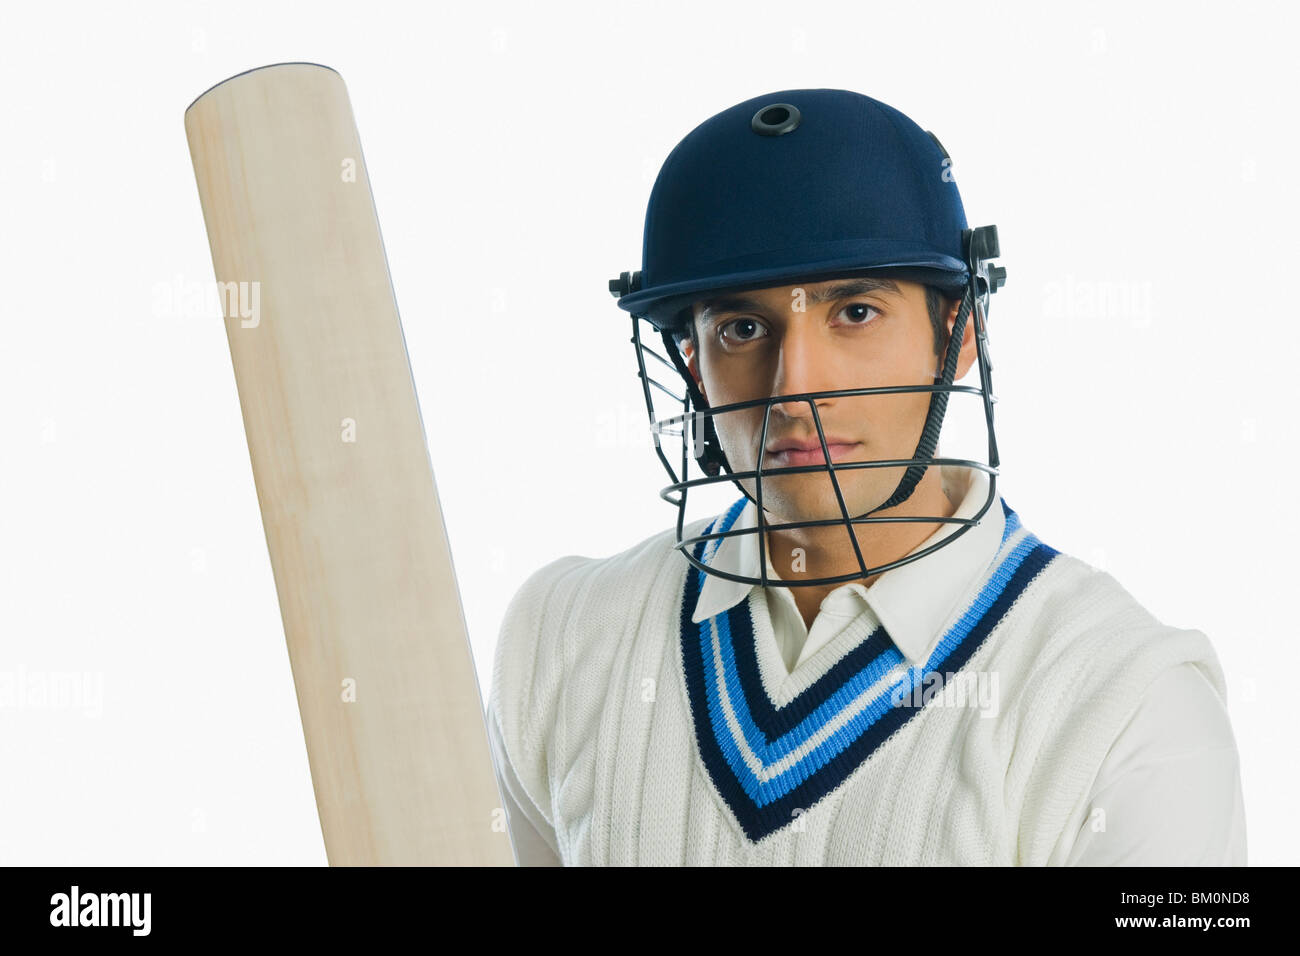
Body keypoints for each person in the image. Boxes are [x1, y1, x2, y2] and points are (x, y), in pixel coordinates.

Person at [485, 88, 1246, 865]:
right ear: (693, 366)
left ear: (961, 332)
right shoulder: (562, 636)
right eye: (743, 328)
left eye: (854, 312)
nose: (794, 389)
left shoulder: (1133, 710)